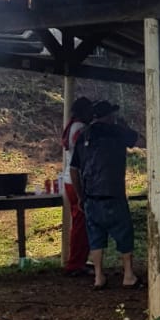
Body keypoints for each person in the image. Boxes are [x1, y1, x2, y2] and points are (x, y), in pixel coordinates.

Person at [69, 99, 140, 290]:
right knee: (124, 234)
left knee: (95, 237)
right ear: (109, 116)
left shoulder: (83, 135)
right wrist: (125, 126)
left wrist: (80, 195)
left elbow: (74, 169)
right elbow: (138, 140)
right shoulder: (117, 131)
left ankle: (99, 276)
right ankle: (128, 275)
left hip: (91, 195)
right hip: (114, 193)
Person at [60, 96, 94, 274]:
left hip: (70, 180)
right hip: (76, 181)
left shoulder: (72, 125)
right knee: (81, 225)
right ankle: (75, 264)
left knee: (81, 223)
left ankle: (79, 260)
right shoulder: (80, 128)